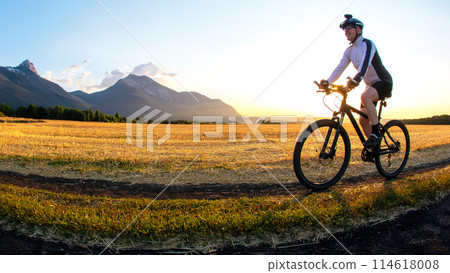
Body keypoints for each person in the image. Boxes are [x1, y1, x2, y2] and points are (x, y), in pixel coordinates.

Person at [320, 14, 393, 148]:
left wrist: (357, 79)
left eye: (349, 28)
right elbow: (339, 68)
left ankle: (376, 134)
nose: (346, 31)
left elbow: (365, 63)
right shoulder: (349, 51)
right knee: (363, 121)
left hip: (383, 81)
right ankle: (375, 149)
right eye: (345, 29)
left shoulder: (367, 44)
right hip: (370, 85)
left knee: (365, 96)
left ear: (358, 30)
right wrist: (328, 82)